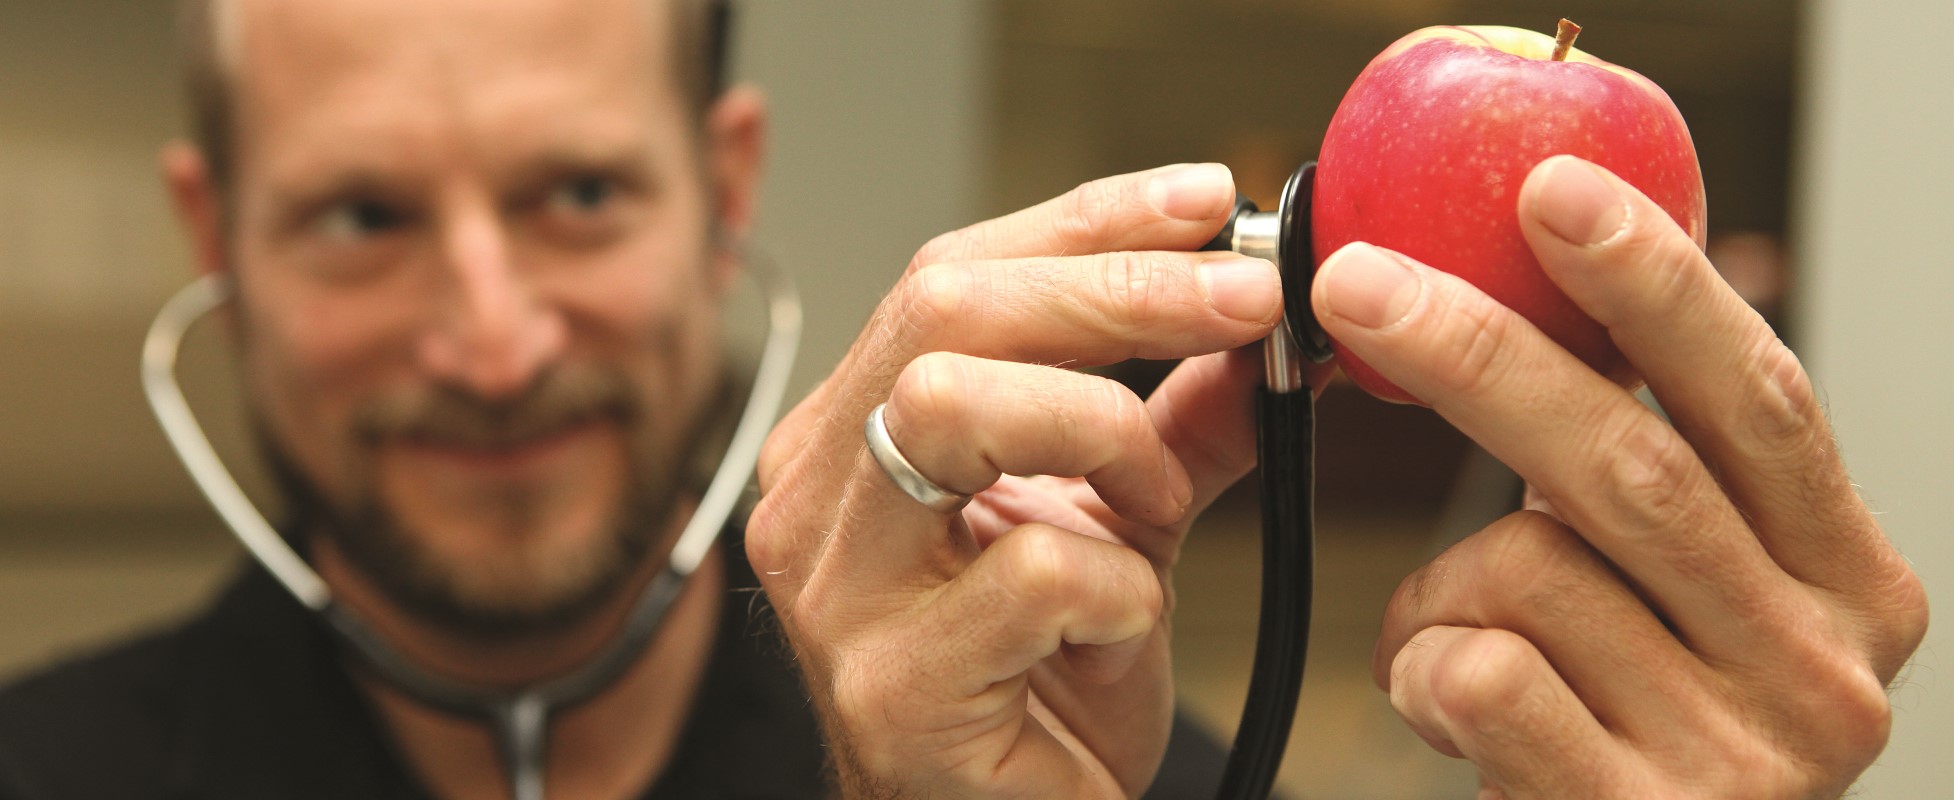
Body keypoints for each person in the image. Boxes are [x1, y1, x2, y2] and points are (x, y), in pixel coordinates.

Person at [0, 0, 1926, 798]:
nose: (493, 344)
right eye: (359, 218)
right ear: (215, 231)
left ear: (724, 189)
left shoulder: (1091, 764)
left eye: (577, 195)